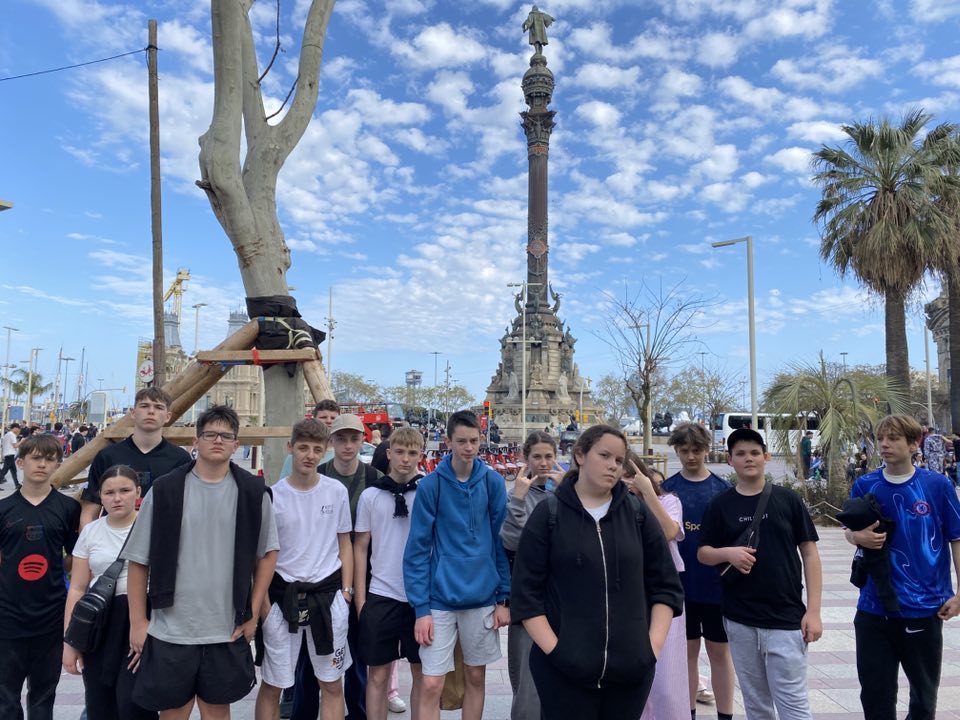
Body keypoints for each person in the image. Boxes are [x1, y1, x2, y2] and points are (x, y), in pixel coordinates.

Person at [511, 424, 683, 720]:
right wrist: (557, 651)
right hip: (563, 674)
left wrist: (650, 648)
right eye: (604, 456)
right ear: (580, 455)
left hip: (629, 673)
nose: (613, 465)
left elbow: (666, 584)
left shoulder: (637, 514)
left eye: (618, 460)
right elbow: (526, 592)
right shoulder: (549, 514)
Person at [122, 405, 279, 719]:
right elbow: (138, 561)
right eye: (210, 434)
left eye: (226, 436)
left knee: (217, 711)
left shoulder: (253, 493)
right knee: (173, 711)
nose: (218, 440)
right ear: (196, 441)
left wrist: (253, 613)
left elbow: (267, 554)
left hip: (227, 627)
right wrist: (138, 622)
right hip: (172, 628)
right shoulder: (165, 490)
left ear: (236, 445)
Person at [698, 428, 822, 720]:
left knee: (793, 704)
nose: (748, 459)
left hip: (786, 617)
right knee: (755, 703)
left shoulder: (788, 500)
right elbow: (703, 552)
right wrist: (728, 553)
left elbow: (810, 555)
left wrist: (814, 611)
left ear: (766, 457)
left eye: (755, 453)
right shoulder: (720, 505)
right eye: (740, 454)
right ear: (730, 460)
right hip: (739, 618)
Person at [845, 414, 960, 720]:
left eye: (893, 438)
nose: (885, 444)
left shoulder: (937, 485)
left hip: (924, 608)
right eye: (881, 438)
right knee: (876, 699)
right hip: (873, 609)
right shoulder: (865, 485)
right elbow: (850, 530)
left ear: (913, 444)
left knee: (923, 701)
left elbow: (956, 538)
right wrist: (857, 537)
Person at [403, 410, 511, 720]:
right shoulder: (431, 486)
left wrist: (504, 598)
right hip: (440, 599)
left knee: (475, 676)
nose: (468, 447)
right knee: (431, 683)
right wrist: (421, 609)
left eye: (474, 441)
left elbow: (501, 543)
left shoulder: (492, 482)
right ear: (448, 442)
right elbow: (417, 550)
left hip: (482, 597)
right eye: (461, 441)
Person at [256, 419, 353, 720]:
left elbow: (345, 542)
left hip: (328, 596)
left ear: (325, 451)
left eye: (316, 449)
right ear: (290, 448)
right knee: (273, 684)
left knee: (332, 683)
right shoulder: (273, 496)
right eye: (303, 448)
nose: (310, 455)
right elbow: (261, 555)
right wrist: (265, 608)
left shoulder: (336, 491)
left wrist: (346, 593)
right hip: (282, 597)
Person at [291, 413, 381, 720]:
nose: (348, 445)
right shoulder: (318, 474)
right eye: (341, 439)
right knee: (308, 658)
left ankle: (357, 713)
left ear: (362, 440)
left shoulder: (375, 478)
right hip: (321, 578)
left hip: (363, 577)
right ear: (331, 441)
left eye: (354, 439)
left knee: (356, 654)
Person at [63, 464, 157, 720]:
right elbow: (77, 588)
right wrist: (70, 641)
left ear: (138, 492)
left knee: (134, 703)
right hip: (100, 623)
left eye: (125, 490)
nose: (117, 498)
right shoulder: (91, 531)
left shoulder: (154, 527)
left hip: (141, 619)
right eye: (109, 492)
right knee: (99, 702)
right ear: (100, 496)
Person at [0, 433, 81, 719]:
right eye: (35, 458)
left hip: (50, 615)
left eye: (49, 459)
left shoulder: (68, 508)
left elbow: (74, 556)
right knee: (6, 698)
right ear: (20, 462)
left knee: (43, 698)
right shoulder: (4, 509)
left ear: (58, 464)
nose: (42, 464)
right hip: (8, 615)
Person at [661, 422, 735, 720]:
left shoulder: (723, 490)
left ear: (707, 450)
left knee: (720, 653)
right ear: (676, 451)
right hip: (680, 588)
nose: (691, 456)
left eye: (696, 450)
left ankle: (725, 715)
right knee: (686, 653)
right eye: (684, 450)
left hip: (716, 588)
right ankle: (687, 712)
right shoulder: (667, 489)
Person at [354, 427, 425, 720]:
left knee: (422, 673)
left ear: (421, 455)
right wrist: (361, 600)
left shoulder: (428, 492)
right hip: (381, 593)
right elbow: (360, 547)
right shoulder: (371, 496)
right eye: (400, 452)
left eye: (412, 453)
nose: (405, 459)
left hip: (420, 596)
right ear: (389, 453)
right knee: (378, 674)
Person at [499, 430, 564, 720]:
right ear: (526, 459)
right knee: (526, 682)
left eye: (549, 456)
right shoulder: (517, 494)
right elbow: (514, 542)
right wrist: (518, 499)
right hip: (529, 597)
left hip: (562, 597)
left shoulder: (565, 494)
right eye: (537, 456)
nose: (543, 463)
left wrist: (566, 491)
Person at [623, 457, 689, 720]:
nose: (626, 482)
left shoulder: (669, 501)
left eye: (630, 475)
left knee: (667, 682)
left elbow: (670, 532)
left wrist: (648, 493)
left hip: (664, 593)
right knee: (635, 681)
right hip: (629, 595)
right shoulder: (617, 507)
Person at [80, 388, 191, 529]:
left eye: (158, 407)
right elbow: (89, 512)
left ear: (168, 416)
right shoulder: (107, 456)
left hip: (161, 536)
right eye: (144, 406)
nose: (151, 411)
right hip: (114, 537)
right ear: (133, 413)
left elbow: (187, 510)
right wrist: (88, 540)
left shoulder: (181, 459)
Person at [0, 421, 22, 487]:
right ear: (15, 428)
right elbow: (15, 445)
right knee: (4, 470)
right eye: (18, 429)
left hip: (8, 454)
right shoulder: (12, 435)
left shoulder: (7, 434)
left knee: (13, 470)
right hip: (10, 454)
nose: (18, 430)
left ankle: (17, 484)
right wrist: (22, 441)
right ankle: (17, 484)